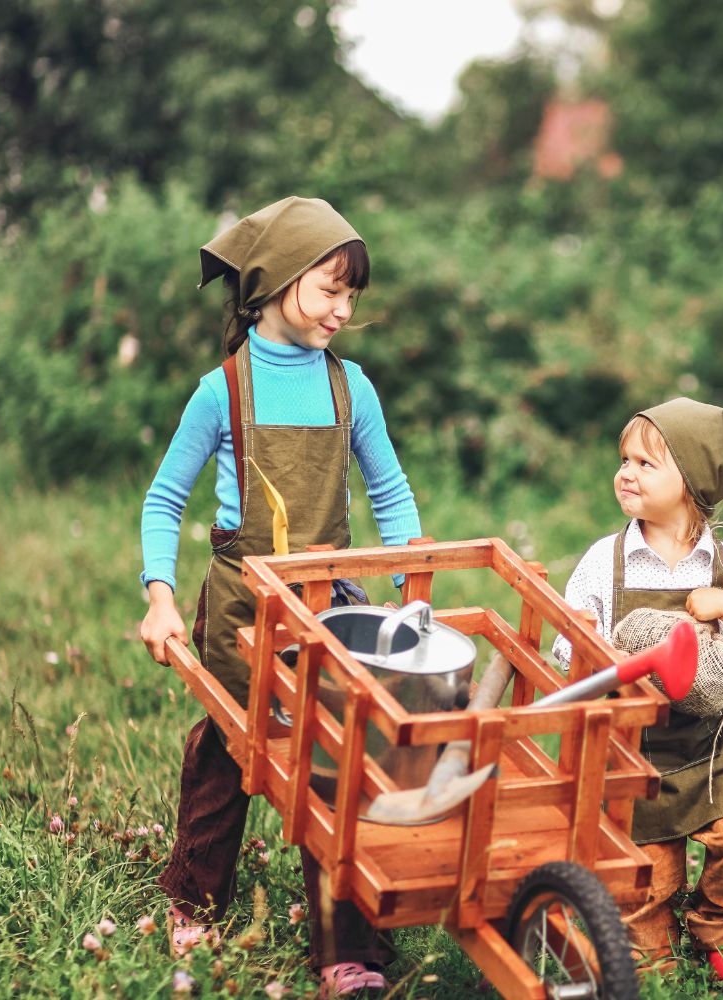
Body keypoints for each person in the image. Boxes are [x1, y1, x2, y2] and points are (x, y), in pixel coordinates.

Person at [136, 196, 420, 997]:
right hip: (238, 609)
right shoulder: (220, 391)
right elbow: (164, 500)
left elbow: (391, 496)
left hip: (328, 607)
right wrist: (161, 599)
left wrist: (410, 588)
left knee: (330, 762)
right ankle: (193, 897)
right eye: (331, 289)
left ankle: (345, 948)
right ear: (277, 283)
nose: (344, 309)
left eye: (352, 295)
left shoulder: (350, 388)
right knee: (231, 749)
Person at [552, 397, 723, 989]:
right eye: (623, 460)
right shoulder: (605, 561)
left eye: (645, 464)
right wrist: (588, 642)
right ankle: (654, 936)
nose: (625, 473)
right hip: (636, 743)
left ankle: (722, 930)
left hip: (715, 737)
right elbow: (568, 655)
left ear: (694, 483)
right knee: (644, 880)